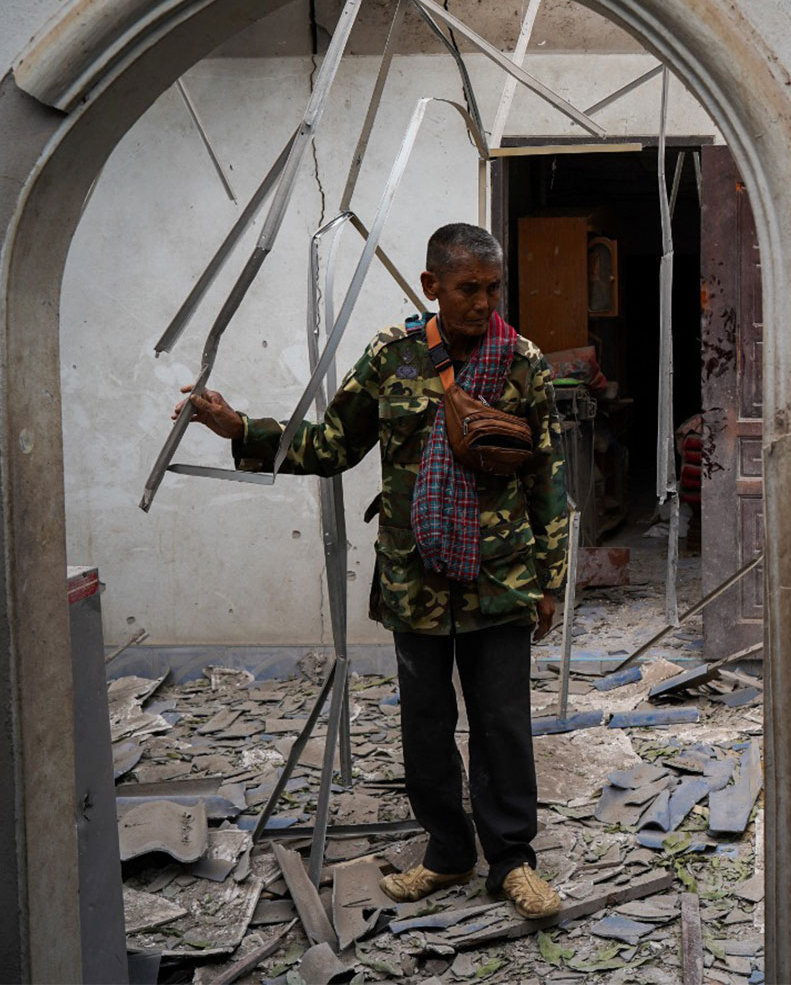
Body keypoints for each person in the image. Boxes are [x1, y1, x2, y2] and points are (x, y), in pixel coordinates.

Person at [179, 222, 569, 920]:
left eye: (492, 288)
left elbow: (548, 478)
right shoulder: (392, 359)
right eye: (467, 289)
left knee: (503, 724)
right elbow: (332, 444)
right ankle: (448, 854)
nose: (483, 303)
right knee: (424, 723)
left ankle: (512, 862)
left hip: (501, 576)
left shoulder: (523, 363)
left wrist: (550, 579)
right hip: (415, 576)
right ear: (432, 287)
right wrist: (242, 429)